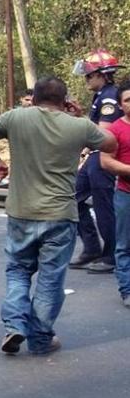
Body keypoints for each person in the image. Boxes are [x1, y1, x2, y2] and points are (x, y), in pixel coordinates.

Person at [0, 76, 116, 355]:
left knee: (18, 271)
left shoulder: (16, 118)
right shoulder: (79, 126)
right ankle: (41, 338)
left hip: (21, 211)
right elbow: (109, 143)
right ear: (64, 100)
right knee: (50, 279)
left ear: (33, 98)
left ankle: (14, 325)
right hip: (61, 215)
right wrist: (80, 116)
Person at [69, 50, 125, 274]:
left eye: (90, 75)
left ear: (103, 75)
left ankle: (111, 255)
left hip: (102, 158)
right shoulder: (101, 95)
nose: (87, 79)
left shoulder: (110, 97)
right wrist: (81, 117)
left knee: (104, 207)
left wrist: (79, 126)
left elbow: (103, 135)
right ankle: (92, 248)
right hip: (94, 157)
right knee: (73, 198)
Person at [99, 81, 130, 309]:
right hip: (125, 194)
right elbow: (106, 161)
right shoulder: (114, 130)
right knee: (125, 245)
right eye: (127, 100)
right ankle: (127, 289)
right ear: (120, 105)